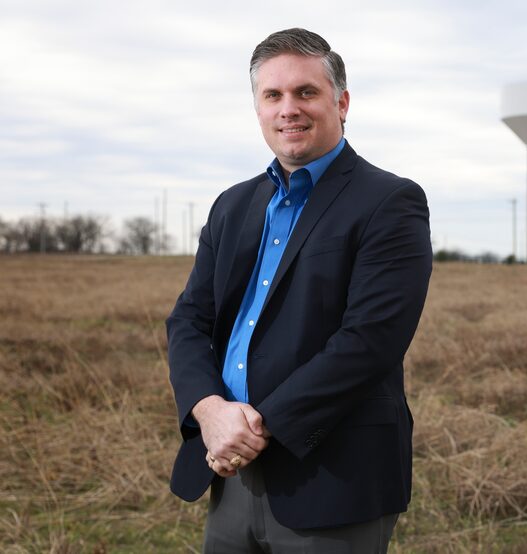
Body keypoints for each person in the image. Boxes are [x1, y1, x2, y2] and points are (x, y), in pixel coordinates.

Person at [166, 27, 432, 553]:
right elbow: (189, 321)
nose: (289, 108)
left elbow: (369, 341)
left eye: (306, 92)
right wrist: (209, 412)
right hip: (228, 470)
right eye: (273, 95)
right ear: (258, 108)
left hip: (332, 477)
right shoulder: (233, 205)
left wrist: (251, 431)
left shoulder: (390, 201)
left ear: (342, 101)